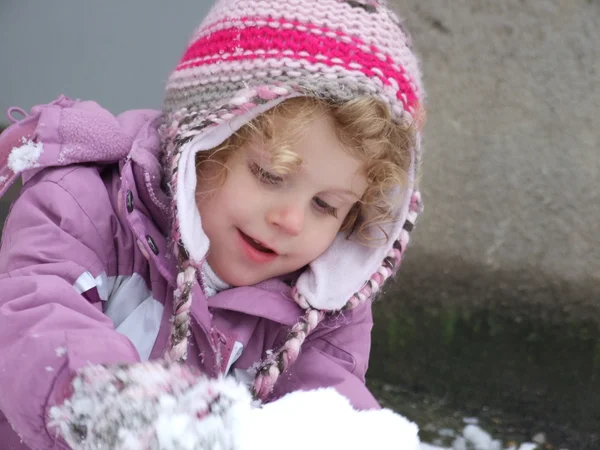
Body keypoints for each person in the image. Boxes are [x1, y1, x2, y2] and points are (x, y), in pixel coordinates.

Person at [0, 0, 425, 448]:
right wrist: (125, 408)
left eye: (325, 205)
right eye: (270, 176)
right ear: (199, 145)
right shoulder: (84, 207)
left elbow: (329, 408)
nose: (290, 220)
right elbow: (31, 319)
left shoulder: (322, 309)